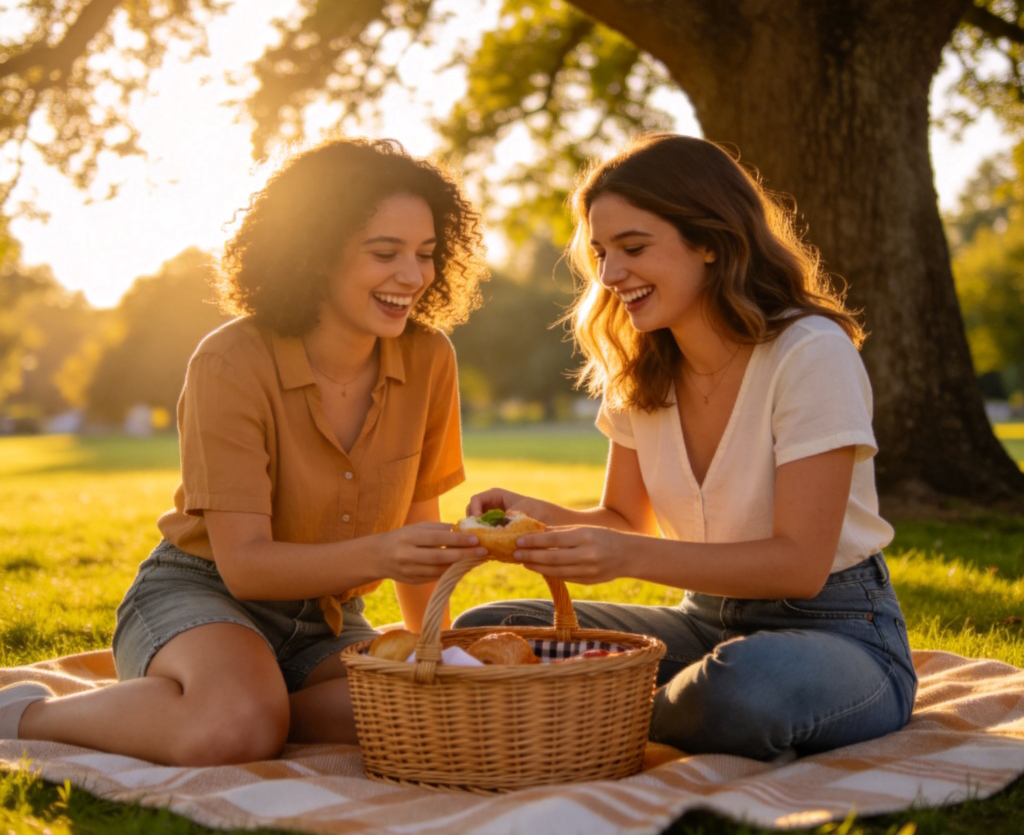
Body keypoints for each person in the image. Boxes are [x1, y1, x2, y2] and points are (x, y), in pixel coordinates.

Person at [0, 137, 489, 765]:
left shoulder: (429, 358)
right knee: (232, 730)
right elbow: (247, 567)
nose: (413, 276)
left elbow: (420, 526)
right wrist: (381, 551)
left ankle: (252, 703)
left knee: (433, 715)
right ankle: (25, 712)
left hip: (328, 619)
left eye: (425, 254)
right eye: (384, 253)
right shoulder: (230, 360)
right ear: (315, 253)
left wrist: (437, 655)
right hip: (202, 594)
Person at [453, 133, 917, 762]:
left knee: (742, 688)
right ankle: (610, 707)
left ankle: (578, 714)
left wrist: (624, 556)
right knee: (487, 631)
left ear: (709, 241)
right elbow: (621, 521)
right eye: (601, 252)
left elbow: (800, 565)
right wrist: (531, 514)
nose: (612, 275)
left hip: (837, 632)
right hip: (703, 623)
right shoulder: (641, 370)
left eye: (634, 248)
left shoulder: (809, 352)